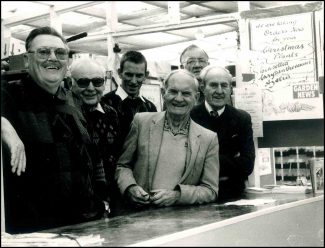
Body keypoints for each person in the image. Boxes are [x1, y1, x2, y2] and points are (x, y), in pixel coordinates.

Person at [1, 26, 107, 233]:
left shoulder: (72, 101)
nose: (53, 58)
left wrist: (103, 202)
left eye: (60, 53)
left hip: (84, 226)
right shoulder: (9, 93)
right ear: (26, 60)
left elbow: (93, 159)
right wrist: (6, 128)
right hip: (34, 232)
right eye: (43, 52)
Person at [115, 69, 220, 208]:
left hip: (180, 220)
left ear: (196, 97)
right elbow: (123, 165)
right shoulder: (141, 122)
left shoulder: (208, 139)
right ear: (164, 93)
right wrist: (129, 187)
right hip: (138, 215)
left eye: (186, 93)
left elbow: (210, 190)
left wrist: (178, 196)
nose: (178, 98)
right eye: (173, 91)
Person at [190, 65, 255, 201]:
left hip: (234, 194)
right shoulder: (190, 116)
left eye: (224, 85)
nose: (219, 91)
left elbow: (247, 165)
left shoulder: (242, 118)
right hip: (197, 194)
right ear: (202, 88)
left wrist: (205, 160)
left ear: (231, 89)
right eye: (213, 85)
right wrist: (232, 161)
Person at [70, 58, 122, 216]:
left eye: (97, 82)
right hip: (81, 204)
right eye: (83, 82)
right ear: (71, 83)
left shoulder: (111, 113)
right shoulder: (66, 115)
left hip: (112, 199)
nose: (91, 88)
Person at [101, 51, 157, 146]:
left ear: (145, 75)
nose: (134, 81)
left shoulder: (151, 108)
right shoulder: (104, 103)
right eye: (129, 75)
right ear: (119, 73)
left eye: (139, 76)